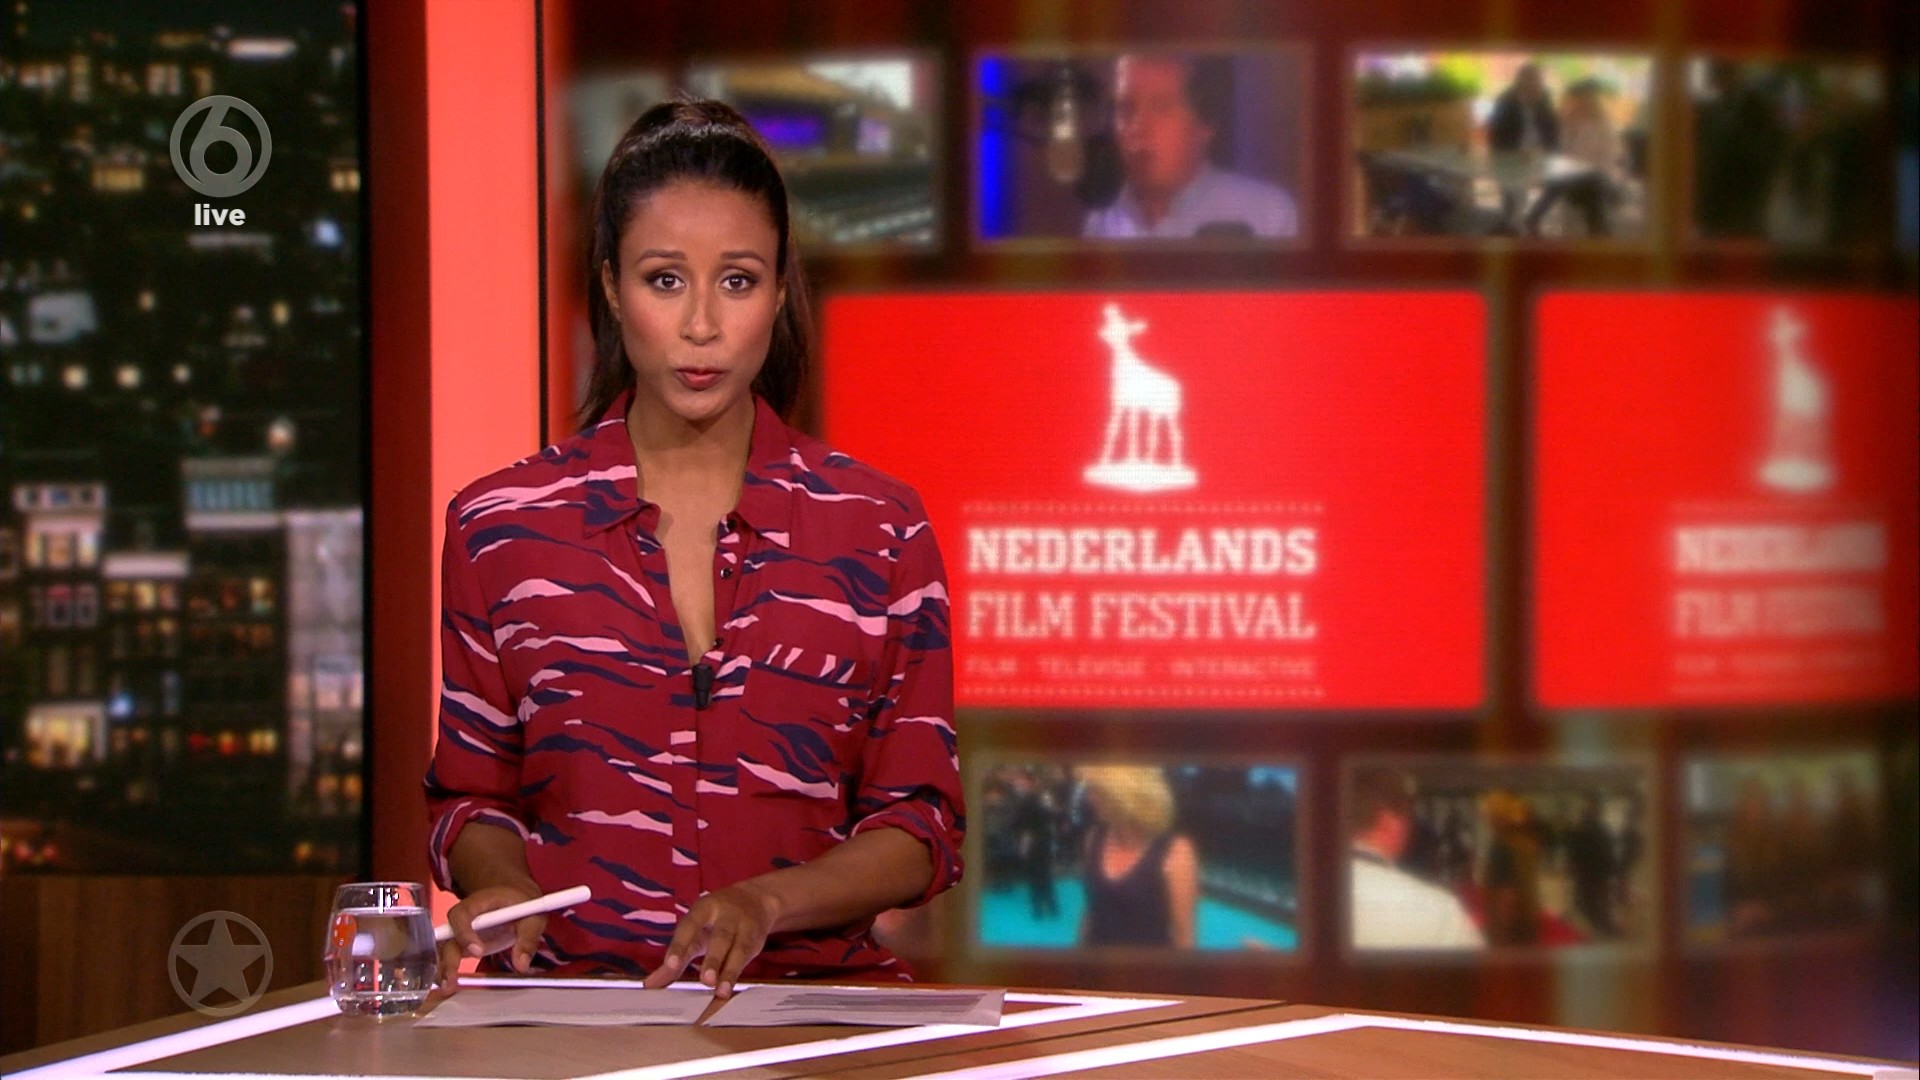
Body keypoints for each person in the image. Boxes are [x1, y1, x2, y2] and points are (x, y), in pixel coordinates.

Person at [425, 98, 964, 1000]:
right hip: (576, 1017)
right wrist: (503, 886)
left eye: (738, 281)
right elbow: (470, 797)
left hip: (812, 1017)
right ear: (611, 287)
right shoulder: (500, 527)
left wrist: (766, 903)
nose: (703, 325)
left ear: (780, 291)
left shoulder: (879, 528)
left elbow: (920, 826)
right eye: (666, 280)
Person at [1082, 53, 1298, 240]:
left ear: (1205, 125)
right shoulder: (1102, 219)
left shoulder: (1267, 214)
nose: (1137, 127)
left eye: (1161, 107)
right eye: (1125, 108)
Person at [1349, 769, 1485, 951]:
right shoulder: (1438, 911)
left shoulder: (1308, 895)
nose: (1410, 830)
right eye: (1408, 818)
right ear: (1390, 823)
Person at [1077, 765, 1198, 947]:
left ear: (1123, 795)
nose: (1089, 798)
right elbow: (1091, 909)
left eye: (1096, 791)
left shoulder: (1176, 851)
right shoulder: (1094, 837)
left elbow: (1184, 936)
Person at [1487, 63, 1560, 153]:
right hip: (1513, 155)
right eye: (1529, 82)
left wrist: (1545, 151)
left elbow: (1553, 139)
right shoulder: (1506, 106)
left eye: (1537, 83)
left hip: (1541, 155)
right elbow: (1497, 139)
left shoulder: (1545, 107)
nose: (1534, 87)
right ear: (1519, 85)